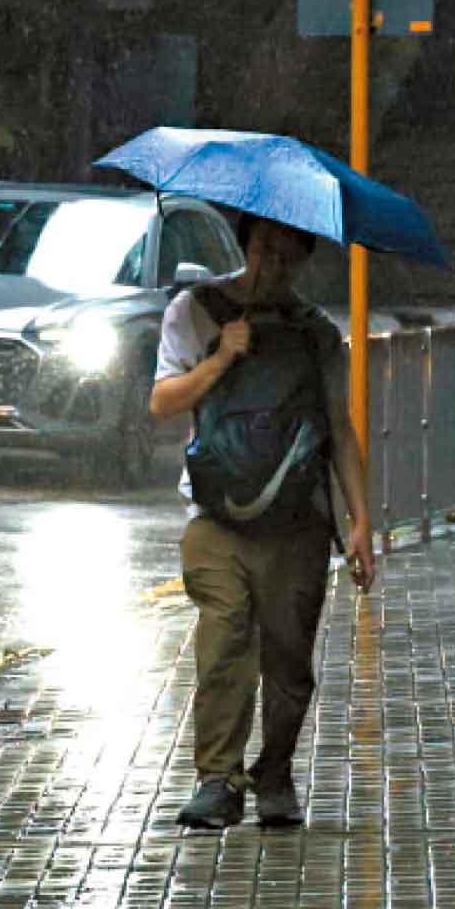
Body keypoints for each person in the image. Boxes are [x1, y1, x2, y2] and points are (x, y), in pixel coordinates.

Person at [149, 213, 375, 829]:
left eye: (287, 256)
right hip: (215, 516)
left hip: (298, 522)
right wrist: (223, 356)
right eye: (263, 251)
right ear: (243, 245)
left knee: (288, 656)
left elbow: (340, 429)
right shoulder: (194, 312)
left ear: (302, 261)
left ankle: (273, 773)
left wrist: (360, 522)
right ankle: (217, 778)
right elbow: (163, 402)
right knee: (224, 634)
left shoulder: (316, 335)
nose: (272, 266)